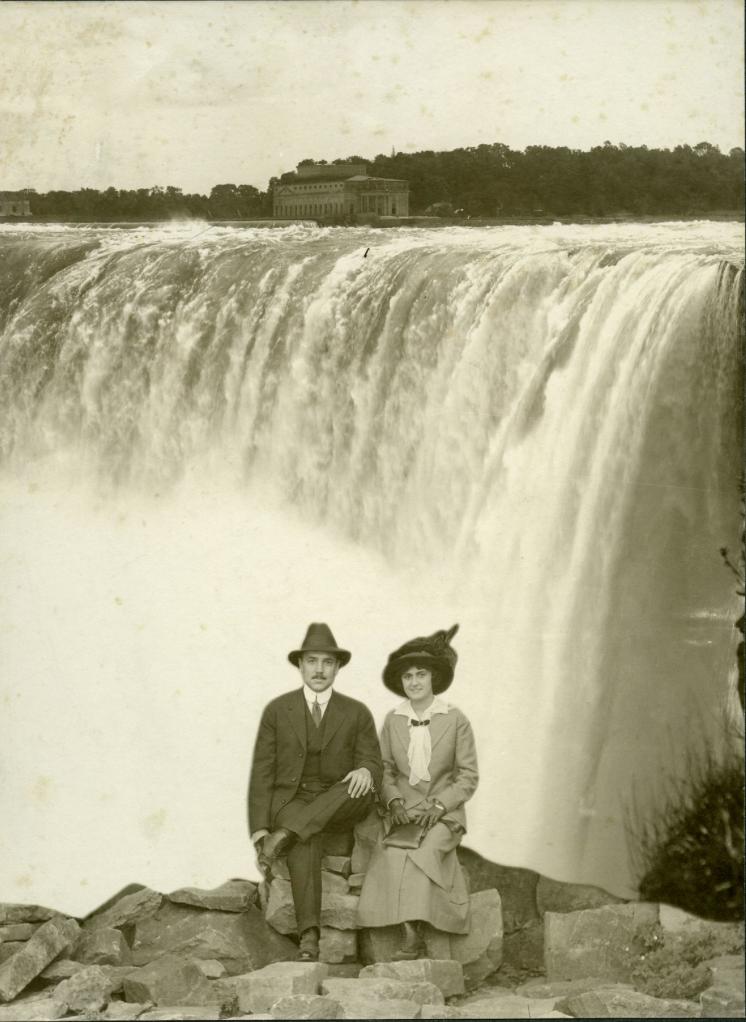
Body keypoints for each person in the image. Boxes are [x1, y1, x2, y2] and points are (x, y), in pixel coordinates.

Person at [248, 622, 383, 961]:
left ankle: (286, 835)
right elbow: (262, 770)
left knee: (352, 789)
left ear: (337, 667)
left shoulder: (356, 711)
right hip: (292, 801)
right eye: (312, 661)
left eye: (327, 662)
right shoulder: (278, 710)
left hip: (341, 800)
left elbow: (373, 760)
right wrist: (260, 829)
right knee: (305, 835)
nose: (319, 669)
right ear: (300, 665)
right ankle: (309, 936)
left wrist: (366, 769)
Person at [357, 624, 478, 959]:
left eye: (420, 675)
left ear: (433, 679)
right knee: (394, 854)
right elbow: (384, 769)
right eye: (407, 677)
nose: (414, 682)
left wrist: (440, 806)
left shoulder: (456, 720)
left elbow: (468, 777)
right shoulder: (392, 721)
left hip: (443, 813)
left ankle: (419, 933)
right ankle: (411, 931)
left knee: (425, 854)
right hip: (406, 813)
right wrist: (394, 799)